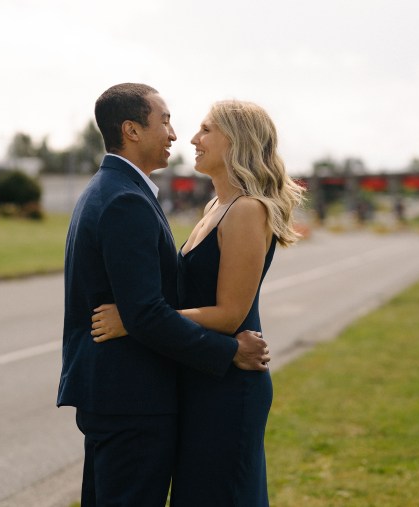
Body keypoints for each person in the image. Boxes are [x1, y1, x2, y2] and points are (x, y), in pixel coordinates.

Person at [57, 84, 270, 507]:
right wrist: (227, 350)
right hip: (132, 397)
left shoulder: (118, 191)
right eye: (166, 121)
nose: (179, 134)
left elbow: (151, 310)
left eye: (203, 128)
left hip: (158, 392)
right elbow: (147, 312)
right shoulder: (125, 199)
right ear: (133, 131)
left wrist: (135, 318)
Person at [91, 99, 305, 505]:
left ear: (236, 140)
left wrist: (135, 320)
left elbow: (228, 316)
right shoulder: (214, 206)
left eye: (207, 130)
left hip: (229, 387)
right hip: (199, 376)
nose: (192, 138)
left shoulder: (246, 211)